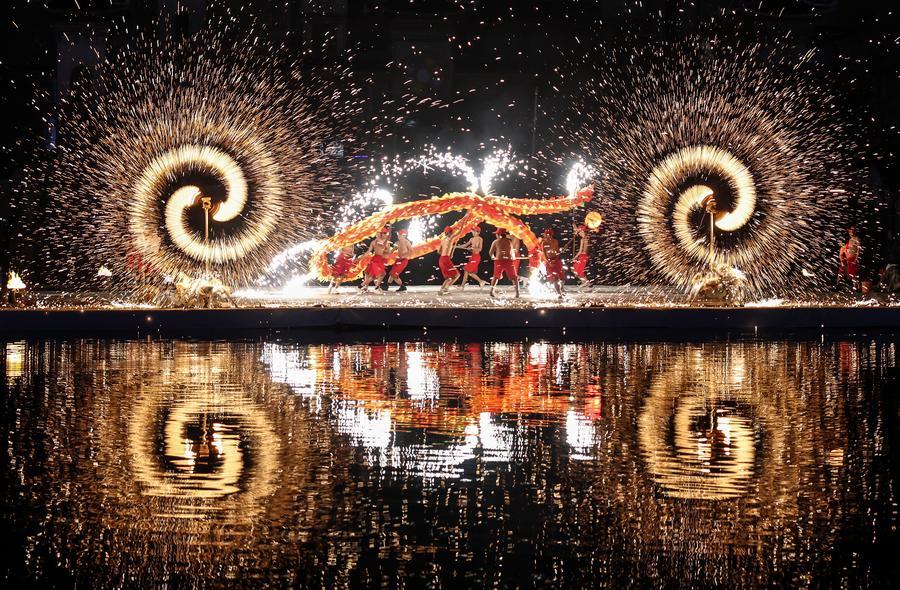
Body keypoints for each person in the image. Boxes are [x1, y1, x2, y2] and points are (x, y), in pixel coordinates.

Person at [489, 228, 521, 298]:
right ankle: (517, 293)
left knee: (495, 277)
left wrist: (493, 257)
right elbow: (512, 252)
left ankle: (491, 291)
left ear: (499, 234)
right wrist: (513, 257)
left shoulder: (496, 241)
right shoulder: (509, 241)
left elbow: (490, 252)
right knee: (514, 278)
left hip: (499, 261)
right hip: (509, 261)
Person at [360, 227, 391, 292]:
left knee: (374, 274)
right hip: (376, 259)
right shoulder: (374, 242)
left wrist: (386, 250)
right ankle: (364, 285)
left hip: (381, 260)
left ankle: (368, 286)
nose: (386, 235)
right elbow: (368, 252)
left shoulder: (386, 242)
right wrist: (361, 258)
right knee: (378, 274)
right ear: (381, 234)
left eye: (386, 233)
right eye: (384, 233)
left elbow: (388, 252)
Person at [541, 228, 565, 298]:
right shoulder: (544, 243)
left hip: (556, 261)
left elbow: (557, 252)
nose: (548, 236)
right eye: (547, 234)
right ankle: (559, 293)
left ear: (552, 235)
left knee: (562, 277)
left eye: (550, 234)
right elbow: (545, 255)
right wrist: (549, 262)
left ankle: (562, 288)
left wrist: (556, 259)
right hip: (549, 262)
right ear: (545, 235)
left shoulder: (555, 241)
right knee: (555, 279)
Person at [438, 226, 462, 294]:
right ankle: (446, 288)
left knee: (448, 278)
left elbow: (439, 252)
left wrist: (449, 251)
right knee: (457, 275)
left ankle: (442, 290)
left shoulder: (443, 240)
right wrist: (465, 219)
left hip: (441, 259)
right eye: (452, 232)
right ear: (450, 233)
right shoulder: (450, 238)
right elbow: (460, 231)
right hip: (446, 259)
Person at [837, 226, 861, 291]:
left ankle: (856, 287)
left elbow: (859, 249)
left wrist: (857, 258)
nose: (851, 232)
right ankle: (838, 286)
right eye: (850, 230)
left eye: (853, 230)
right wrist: (840, 243)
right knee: (846, 272)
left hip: (853, 259)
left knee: (854, 273)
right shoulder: (850, 240)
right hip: (848, 259)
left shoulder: (856, 238)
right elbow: (845, 247)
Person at [571, 223, 592, 288]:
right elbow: (577, 231)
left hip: (582, 256)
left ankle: (585, 282)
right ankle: (588, 283)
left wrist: (574, 257)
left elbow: (580, 251)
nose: (579, 233)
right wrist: (574, 226)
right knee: (578, 270)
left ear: (583, 232)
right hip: (584, 256)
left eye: (580, 232)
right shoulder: (587, 238)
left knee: (576, 270)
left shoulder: (583, 239)